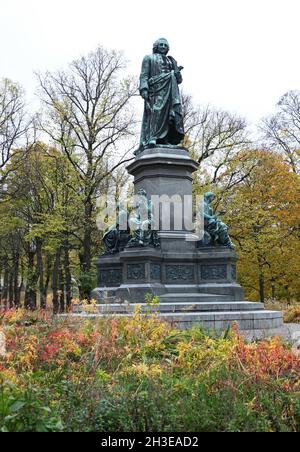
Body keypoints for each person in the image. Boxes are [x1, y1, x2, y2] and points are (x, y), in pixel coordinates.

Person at [136, 38, 185, 154]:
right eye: (160, 44)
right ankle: (153, 137)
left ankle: (166, 139)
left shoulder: (171, 61)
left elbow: (179, 80)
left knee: (169, 113)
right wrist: (144, 89)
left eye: (165, 45)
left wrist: (177, 71)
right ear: (156, 46)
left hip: (170, 89)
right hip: (155, 89)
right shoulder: (148, 58)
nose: (163, 46)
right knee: (156, 112)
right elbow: (144, 75)